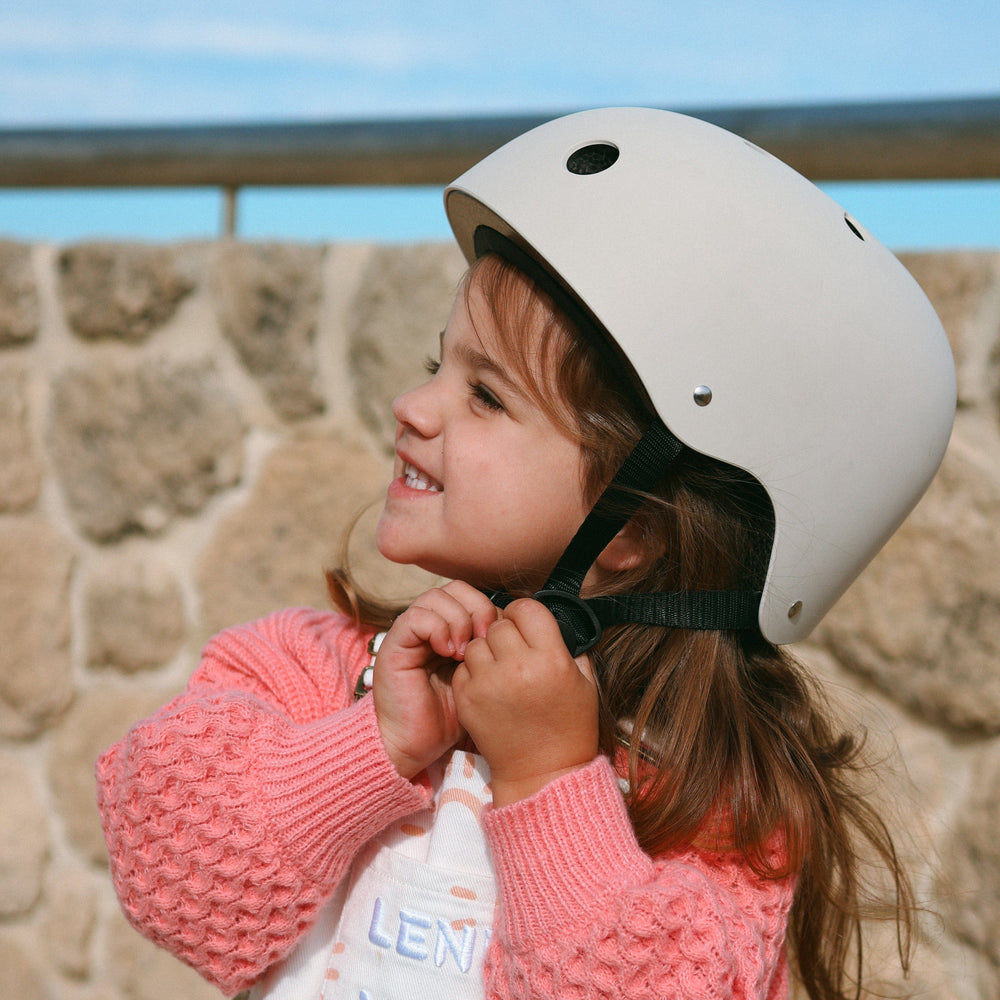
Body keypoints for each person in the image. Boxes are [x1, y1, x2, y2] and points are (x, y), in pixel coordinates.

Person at [96, 108, 956, 1000]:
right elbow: (173, 884)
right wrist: (369, 744)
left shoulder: (713, 805)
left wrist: (548, 783)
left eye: (486, 397)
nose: (412, 406)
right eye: (438, 365)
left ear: (635, 529)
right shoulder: (315, 670)